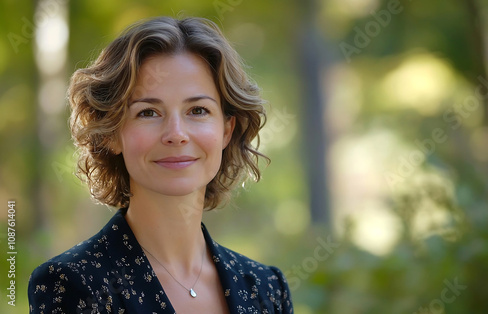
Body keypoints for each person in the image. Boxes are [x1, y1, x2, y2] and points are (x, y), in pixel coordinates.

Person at [28, 16, 293, 313]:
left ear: (226, 131)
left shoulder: (267, 289)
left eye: (197, 110)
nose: (176, 134)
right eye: (148, 113)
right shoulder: (73, 284)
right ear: (112, 134)